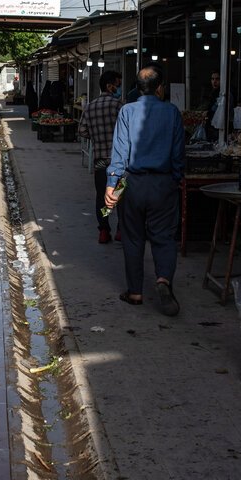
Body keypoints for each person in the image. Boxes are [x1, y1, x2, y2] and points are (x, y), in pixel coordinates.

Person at [104, 64, 185, 317]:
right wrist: (175, 180)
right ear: (160, 88)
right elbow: (178, 155)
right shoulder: (172, 112)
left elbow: (119, 154)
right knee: (164, 237)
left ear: (137, 89)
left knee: (133, 238)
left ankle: (135, 292)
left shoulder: (127, 111)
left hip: (132, 183)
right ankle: (163, 280)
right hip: (163, 184)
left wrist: (112, 185)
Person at [78, 70, 122, 244]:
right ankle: (120, 229)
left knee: (102, 196)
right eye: (117, 85)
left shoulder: (90, 107)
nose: (119, 89)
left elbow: (82, 131)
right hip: (119, 163)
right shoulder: (119, 106)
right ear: (109, 86)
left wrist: (96, 136)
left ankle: (104, 229)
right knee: (119, 195)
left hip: (100, 161)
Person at [203, 71, 221, 141]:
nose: (214, 81)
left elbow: (216, 107)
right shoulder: (213, 92)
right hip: (211, 123)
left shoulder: (220, 93)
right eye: (212, 79)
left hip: (215, 125)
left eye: (217, 79)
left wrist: (208, 113)